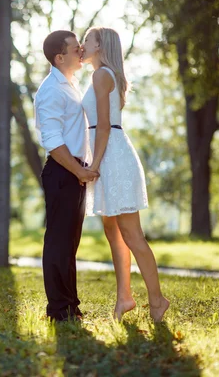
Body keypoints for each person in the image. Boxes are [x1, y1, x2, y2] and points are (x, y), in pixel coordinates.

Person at [80, 26, 170, 322]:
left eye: (87, 40)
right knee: (112, 230)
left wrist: (94, 165)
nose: (82, 45)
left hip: (112, 157)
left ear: (100, 45)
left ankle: (157, 301)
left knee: (131, 233)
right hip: (107, 153)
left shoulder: (101, 74)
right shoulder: (103, 75)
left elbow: (104, 126)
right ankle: (125, 298)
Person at [34, 30, 99, 322]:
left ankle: (71, 305)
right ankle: (59, 310)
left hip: (74, 171)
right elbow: (53, 141)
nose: (81, 51)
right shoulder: (51, 90)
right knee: (59, 242)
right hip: (63, 171)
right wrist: (80, 172)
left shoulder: (70, 84)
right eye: (75, 49)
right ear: (60, 57)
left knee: (70, 242)